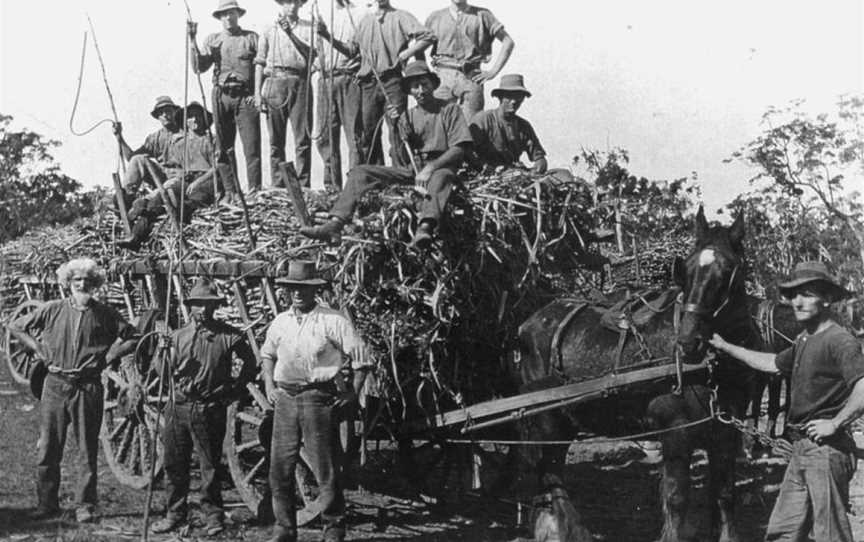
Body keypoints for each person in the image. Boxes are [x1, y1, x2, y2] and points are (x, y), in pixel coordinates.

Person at [708, 261, 864, 542]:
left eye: (807, 294)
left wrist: (835, 423)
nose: (797, 302)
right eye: (793, 295)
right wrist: (727, 347)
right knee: (783, 532)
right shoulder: (805, 339)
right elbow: (772, 363)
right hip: (800, 450)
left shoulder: (840, 340)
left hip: (826, 452)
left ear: (827, 299)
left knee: (830, 535)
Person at [7, 258, 138, 523]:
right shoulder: (52, 309)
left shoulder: (106, 314)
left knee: (87, 448)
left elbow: (133, 337)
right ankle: (47, 503)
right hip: (55, 385)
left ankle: (85, 505)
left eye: (87, 281)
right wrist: (37, 348)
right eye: (77, 280)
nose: (82, 285)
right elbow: (16, 326)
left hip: (88, 387)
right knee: (47, 447)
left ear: (95, 285)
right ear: (68, 284)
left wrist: (111, 354)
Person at [300, 60, 472, 249]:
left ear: (433, 85)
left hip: (440, 169)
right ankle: (335, 223)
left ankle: (425, 227)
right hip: (413, 171)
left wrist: (430, 168)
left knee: (440, 178)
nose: (421, 90)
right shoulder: (407, 116)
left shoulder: (449, 110)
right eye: (415, 86)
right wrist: (397, 129)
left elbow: (459, 149)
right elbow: (400, 158)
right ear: (410, 91)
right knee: (360, 172)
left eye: (425, 84)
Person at [261, 261, 367, 542]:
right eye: (293, 288)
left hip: (317, 398)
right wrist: (270, 384)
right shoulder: (280, 321)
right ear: (287, 291)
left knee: (325, 465)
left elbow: (362, 359)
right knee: (280, 467)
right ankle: (284, 528)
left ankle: (333, 527)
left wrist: (352, 393)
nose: (298, 294)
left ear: (315, 291)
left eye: (304, 289)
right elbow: (267, 355)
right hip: (285, 398)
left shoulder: (332, 320)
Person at [150, 278, 257, 536]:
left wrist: (235, 388)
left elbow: (251, 362)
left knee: (210, 467)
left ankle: (213, 516)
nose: (203, 310)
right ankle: (175, 513)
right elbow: (161, 373)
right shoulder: (176, 337)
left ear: (215, 307)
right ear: (191, 307)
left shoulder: (229, 336)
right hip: (178, 407)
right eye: (198, 305)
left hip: (209, 409)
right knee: (174, 464)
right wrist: (162, 352)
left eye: (208, 305)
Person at [118, 102, 219, 251]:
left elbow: (218, 167)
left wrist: (197, 182)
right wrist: (119, 137)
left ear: (205, 119)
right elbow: (135, 156)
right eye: (190, 117)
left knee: (179, 204)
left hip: (205, 182)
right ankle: (136, 231)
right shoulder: (180, 144)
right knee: (160, 200)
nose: (195, 120)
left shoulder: (212, 140)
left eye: (198, 116)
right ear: (186, 122)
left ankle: (152, 204)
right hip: (186, 181)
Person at [348, 0, 435, 166]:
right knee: (369, 133)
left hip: (393, 82)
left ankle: (400, 173)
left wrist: (405, 54)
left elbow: (428, 36)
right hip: (368, 84)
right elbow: (352, 49)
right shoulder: (364, 21)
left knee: (397, 129)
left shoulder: (401, 17)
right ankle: (376, 176)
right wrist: (325, 35)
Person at [189, 0, 262, 193]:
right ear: (219, 18)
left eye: (231, 13)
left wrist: (257, 94)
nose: (228, 17)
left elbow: (263, 68)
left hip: (245, 98)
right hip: (221, 96)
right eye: (224, 14)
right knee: (223, 147)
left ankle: (255, 190)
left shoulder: (252, 38)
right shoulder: (213, 40)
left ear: (238, 14)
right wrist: (192, 40)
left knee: (252, 147)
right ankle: (231, 192)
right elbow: (198, 67)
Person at [255, 0, 315, 188]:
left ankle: (303, 185)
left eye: (295, 2)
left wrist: (290, 32)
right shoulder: (269, 28)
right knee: (276, 140)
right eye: (287, 2)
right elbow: (260, 62)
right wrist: (257, 93)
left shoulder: (308, 27)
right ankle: (278, 184)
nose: (291, 6)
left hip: (300, 81)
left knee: (302, 138)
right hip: (275, 82)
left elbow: (313, 54)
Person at [425, 0, 515, 120]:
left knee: (473, 127)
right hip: (443, 77)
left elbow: (508, 42)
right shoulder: (435, 17)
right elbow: (420, 46)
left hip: (471, 77)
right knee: (437, 124)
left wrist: (493, 72)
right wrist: (426, 75)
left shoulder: (483, 15)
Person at [313, 0, 364, 189]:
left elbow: (356, 50)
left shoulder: (359, 14)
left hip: (348, 79)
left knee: (354, 135)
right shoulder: (321, 12)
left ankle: (355, 187)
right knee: (325, 137)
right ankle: (332, 187)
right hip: (325, 80)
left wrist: (326, 34)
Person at [469, 74, 547, 174]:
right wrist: (484, 167)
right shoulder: (483, 119)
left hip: (514, 174)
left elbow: (539, 157)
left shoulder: (524, 126)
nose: (514, 101)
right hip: (486, 173)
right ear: (500, 97)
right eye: (509, 96)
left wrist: (538, 168)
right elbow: (468, 152)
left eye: (519, 96)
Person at [112, 96, 182, 204]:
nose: (164, 115)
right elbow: (131, 158)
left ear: (175, 112)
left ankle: (145, 202)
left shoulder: (185, 133)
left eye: (168, 111)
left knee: (166, 189)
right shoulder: (155, 138)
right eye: (161, 113)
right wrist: (119, 137)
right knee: (138, 159)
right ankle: (126, 196)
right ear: (158, 117)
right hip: (162, 176)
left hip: (180, 178)